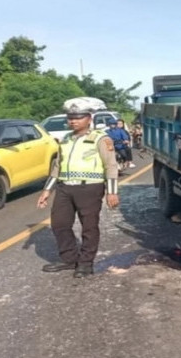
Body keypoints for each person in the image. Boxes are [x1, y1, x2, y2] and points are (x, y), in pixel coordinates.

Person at [36, 100, 120, 278]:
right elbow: (57, 166)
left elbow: (111, 166)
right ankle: (69, 259)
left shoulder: (100, 139)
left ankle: (86, 263)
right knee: (59, 224)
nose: (73, 121)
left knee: (89, 227)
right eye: (70, 118)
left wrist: (112, 192)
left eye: (78, 118)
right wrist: (47, 191)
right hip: (65, 188)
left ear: (89, 119)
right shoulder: (66, 139)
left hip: (89, 188)